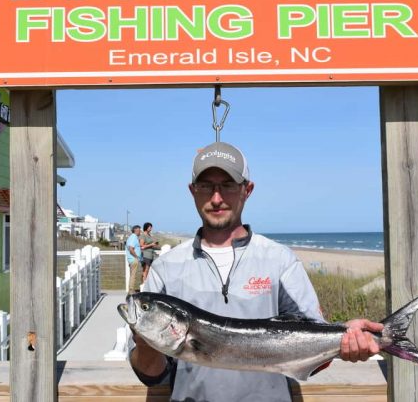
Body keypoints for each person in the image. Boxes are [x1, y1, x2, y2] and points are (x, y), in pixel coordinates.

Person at [128, 142, 383, 402]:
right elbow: (151, 373)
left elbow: (315, 349)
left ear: (247, 190)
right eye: (206, 186)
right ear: (192, 191)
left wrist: (343, 339)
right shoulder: (165, 268)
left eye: (227, 185)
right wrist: (146, 341)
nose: (216, 198)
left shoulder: (280, 261)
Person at [126, 225, 142, 294]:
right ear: (136, 230)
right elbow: (131, 249)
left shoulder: (133, 237)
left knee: (133, 275)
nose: (140, 232)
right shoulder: (133, 237)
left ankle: (131, 290)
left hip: (133, 259)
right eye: (139, 230)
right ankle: (131, 290)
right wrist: (136, 257)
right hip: (133, 259)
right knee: (133, 275)